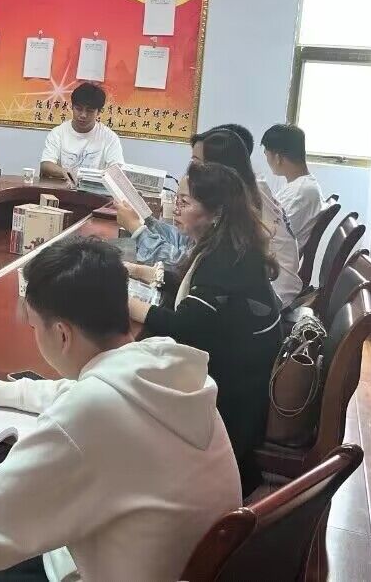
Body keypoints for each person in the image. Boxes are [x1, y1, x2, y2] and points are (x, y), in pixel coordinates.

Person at [0, 237, 241, 582]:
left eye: (35, 326)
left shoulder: (91, 413)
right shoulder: (168, 368)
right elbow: (79, 391)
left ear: (62, 334)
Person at [127, 161, 283, 493]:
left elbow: (184, 326)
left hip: (232, 398)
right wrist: (138, 272)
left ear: (216, 213)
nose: (176, 208)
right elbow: (193, 288)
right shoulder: (230, 245)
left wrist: (123, 301)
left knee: (127, 374)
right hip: (242, 375)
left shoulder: (223, 259)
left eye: (184, 202)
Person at [119, 126, 303, 304]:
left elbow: (185, 265)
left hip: (272, 297)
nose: (192, 171)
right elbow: (188, 245)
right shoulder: (239, 192)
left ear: (219, 169)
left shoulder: (243, 204)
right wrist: (148, 222)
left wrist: (138, 230)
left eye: (197, 163)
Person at [39, 82, 124, 185]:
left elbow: (117, 170)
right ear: (72, 107)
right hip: (64, 189)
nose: (83, 115)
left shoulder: (109, 138)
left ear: (98, 112)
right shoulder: (58, 133)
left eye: (89, 111)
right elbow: (45, 164)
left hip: (94, 191)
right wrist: (64, 172)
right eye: (79, 109)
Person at [262, 123, 325, 248]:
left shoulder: (299, 193)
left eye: (266, 154)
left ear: (278, 158)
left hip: (276, 257)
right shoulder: (302, 186)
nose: (266, 159)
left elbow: (274, 234)